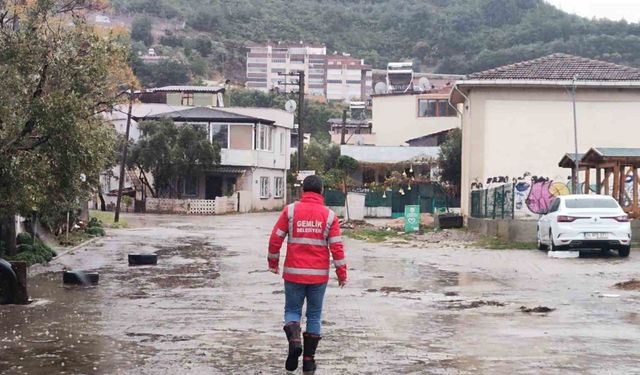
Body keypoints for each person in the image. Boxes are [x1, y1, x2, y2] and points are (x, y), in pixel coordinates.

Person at [267, 175, 347, 373]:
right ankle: (309, 361)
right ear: (321, 191)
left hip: (293, 273)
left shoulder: (291, 210)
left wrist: (273, 262)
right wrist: (342, 273)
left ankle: (294, 341)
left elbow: (275, 238)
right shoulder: (329, 216)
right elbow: (337, 248)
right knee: (314, 315)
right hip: (318, 276)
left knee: (292, 311)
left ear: (304, 190)